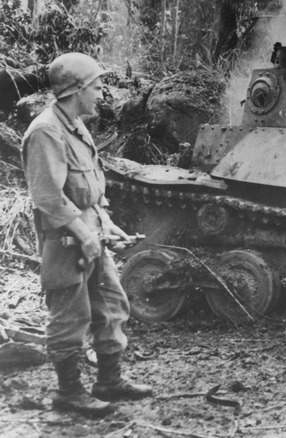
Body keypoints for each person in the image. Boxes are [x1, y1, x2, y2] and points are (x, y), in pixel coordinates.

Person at [22, 52, 153, 417]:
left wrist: (104, 223)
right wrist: (84, 234)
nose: (102, 93)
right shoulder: (46, 131)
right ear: (77, 89)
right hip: (66, 243)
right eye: (97, 86)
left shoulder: (76, 126)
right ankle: (69, 393)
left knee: (111, 307)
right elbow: (48, 197)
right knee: (70, 317)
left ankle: (109, 381)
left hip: (91, 237)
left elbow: (87, 189)